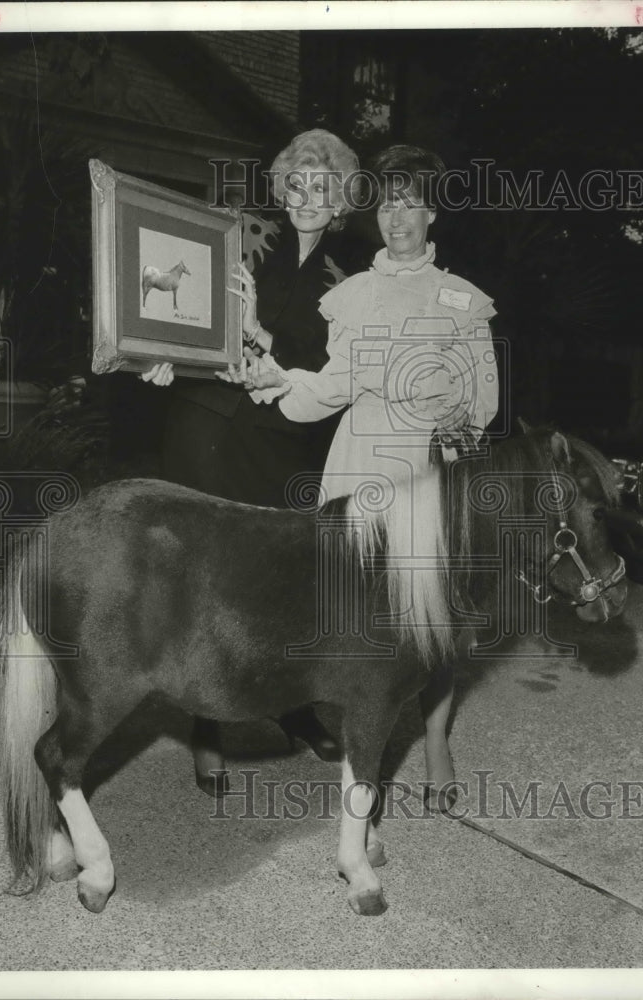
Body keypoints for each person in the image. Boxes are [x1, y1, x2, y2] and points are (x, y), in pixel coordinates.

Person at [144, 130, 360, 787]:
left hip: (283, 436)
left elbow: (333, 361)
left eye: (319, 187)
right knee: (204, 583)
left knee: (275, 584)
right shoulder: (243, 239)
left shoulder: (352, 273)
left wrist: (266, 333)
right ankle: (205, 728)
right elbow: (189, 309)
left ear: (340, 198)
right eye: (294, 184)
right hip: (208, 423)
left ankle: (291, 707)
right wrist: (155, 352)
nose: (304, 198)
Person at [223, 144, 499, 506]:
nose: (396, 220)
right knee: (347, 558)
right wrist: (282, 381)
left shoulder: (463, 299)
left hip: (425, 464)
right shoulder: (352, 293)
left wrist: (455, 422)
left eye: (408, 205)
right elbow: (331, 386)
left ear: (431, 212)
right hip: (355, 458)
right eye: (386, 207)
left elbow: (480, 399)